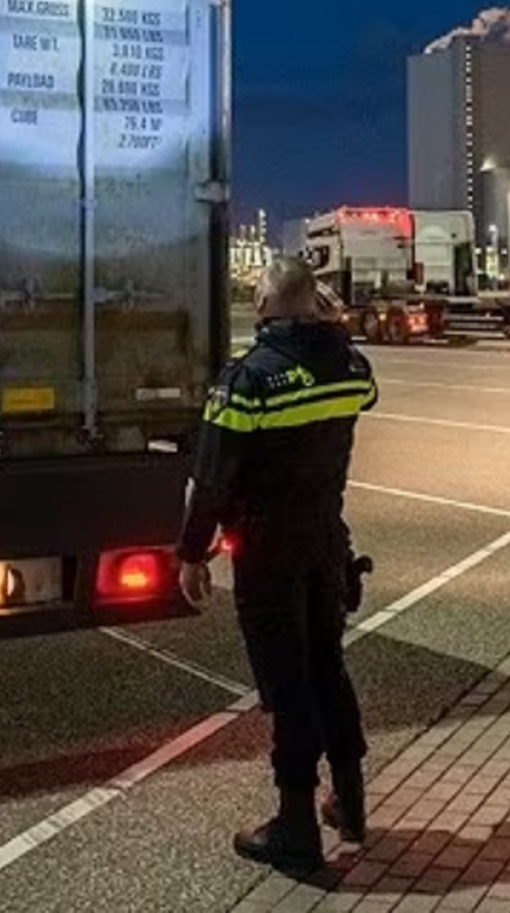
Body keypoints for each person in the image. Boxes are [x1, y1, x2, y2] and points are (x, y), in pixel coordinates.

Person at [176, 255, 378, 872]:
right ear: (313, 303)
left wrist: (191, 554)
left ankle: (295, 829)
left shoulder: (247, 380)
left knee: (286, 687)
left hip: (267, 551)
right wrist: (332, 325)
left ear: (262, 306)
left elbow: (211, 481)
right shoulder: (350, 366)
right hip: (325, 542)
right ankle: (349, 802)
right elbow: (363, 390)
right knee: (327, 669)